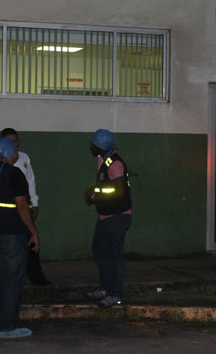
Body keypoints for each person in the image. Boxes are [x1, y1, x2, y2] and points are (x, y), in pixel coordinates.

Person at [0, 137, 39, 338]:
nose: (17, 153)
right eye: (15, 150)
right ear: (11, 153)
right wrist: (33, 231)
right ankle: (8, 326)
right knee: (13, 278)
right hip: (13, 234)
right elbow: (21, 206)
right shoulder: (15, 174)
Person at [0, 128, 50, 286]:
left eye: (16, 140)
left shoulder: (24, 158)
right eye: (10, 141)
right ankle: (9, 282)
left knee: (30, 243)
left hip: (23, 207)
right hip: (7, 214)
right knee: (8, 250)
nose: (15, 145)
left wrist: (34, 203)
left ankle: (36, 277)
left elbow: (31, 182)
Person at [84, 129, 132, 308]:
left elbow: (119, 191)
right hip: (106, 215)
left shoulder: (115, 164)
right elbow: (107, 187)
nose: (90, 146)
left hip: (117, 216)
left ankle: (115, 294)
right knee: (100, 250)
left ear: (101, 147)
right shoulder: (103, 160)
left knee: (114, 255)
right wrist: (96, 194)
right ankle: (105, 288)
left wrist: (95, 194)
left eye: (93, 144)